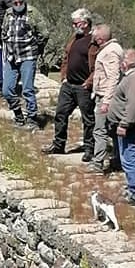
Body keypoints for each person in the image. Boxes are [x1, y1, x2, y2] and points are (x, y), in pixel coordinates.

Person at [41, 8, 99, 160]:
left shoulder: (94, 41)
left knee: (88, 119)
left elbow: (97, 66)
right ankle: (58, 144)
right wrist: (64, 76)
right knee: (60, 114)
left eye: (76, 23)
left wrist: (89, 82)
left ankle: (89, 148)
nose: (73, 26)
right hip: (69, 85)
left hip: (83, 86)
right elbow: (66, 57)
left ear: (85, 23)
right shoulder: (74, 37)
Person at [108, 49, 135, 204]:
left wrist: (125, 123)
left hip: (133, 126)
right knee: (130, 156)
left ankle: (134, 193)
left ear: (126, 63)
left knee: (130, 157)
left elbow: (134, 104)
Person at [0, 0, 49, 130]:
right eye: (14, 2)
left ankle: (32, 118)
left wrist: (37, 48)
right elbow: (4, 31)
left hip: (28, 56)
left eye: (20, 1)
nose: (17, 4)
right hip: (12, 56)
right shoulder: (8, 13)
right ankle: (18, 115)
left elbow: (44, 34)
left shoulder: (33, 13)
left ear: (24, 0)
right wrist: (7, 42)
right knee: (7, 89)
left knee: (27, 89)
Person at [88, 24, 123, 173]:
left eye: (95, 37)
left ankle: (98, 163)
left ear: (100, 39)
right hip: (104, 94)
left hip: (105, 96)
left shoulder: (111, 52)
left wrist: (107, 101)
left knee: (100, 130)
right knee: (111, 130)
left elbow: (113, 77)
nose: (93, 40)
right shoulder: (112, 49)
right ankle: (117, 160)